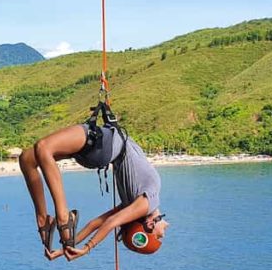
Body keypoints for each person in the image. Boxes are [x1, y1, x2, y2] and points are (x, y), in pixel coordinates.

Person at [18, 112, 169, 261]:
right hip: (98, 152)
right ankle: (44, 220)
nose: (166, 227)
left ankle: (63, 217)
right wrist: (67, 248)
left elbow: (110, 222)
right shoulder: (134, 205)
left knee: (43, 147)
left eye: (160, 234)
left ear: (149, 225)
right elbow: (94, 224)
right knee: (27, 159)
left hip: (101, 145)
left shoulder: (147, 202)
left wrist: (86, 248)